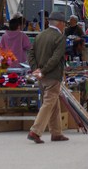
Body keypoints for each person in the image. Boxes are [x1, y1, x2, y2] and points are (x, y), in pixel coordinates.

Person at [27, 11, 69, 144]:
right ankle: (35, 131)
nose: (65, 26)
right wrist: (43, 71)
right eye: (64, 24)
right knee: (49, 103)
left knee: (53, 103)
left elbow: (31, 54)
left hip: (42, 76)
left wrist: (36, 70)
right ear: (60, 23)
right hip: (52, 75)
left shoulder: (40, 35)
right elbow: (56, 59)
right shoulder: (59, 37)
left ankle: (56, 133)